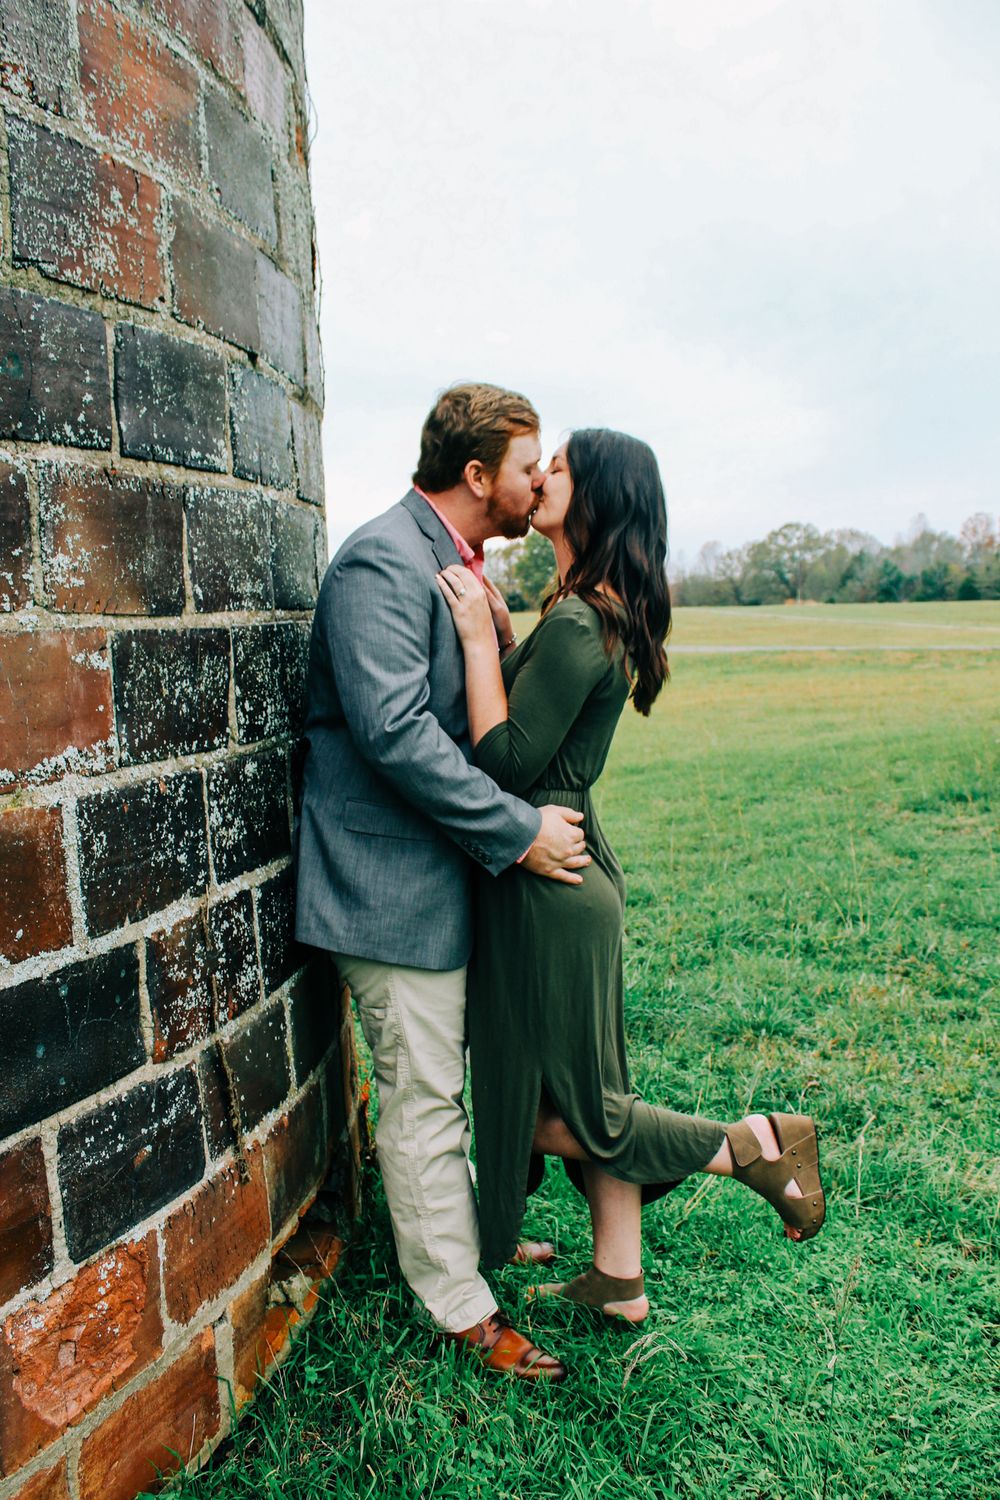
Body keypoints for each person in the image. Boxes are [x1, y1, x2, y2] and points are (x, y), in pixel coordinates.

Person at [437, 428, 826, 1327]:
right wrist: (500, 629)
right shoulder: (593, 606)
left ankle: (753, 1146)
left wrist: (475, 639)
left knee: (549, 1109)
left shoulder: (580, 620)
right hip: (569, 878)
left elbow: (503, 764)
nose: (540, 477)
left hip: (547, 885)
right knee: (586, 1087)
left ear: (599, 495)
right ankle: (620, 1278)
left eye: (560, 466)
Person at [295, 384, 588, 1382]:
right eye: (524, 464)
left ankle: (477, 1241)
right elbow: (393, 734)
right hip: (385, 885)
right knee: (422, 1097)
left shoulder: (451, 564)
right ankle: (460, 1304)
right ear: (476, 476)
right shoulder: (383, 559)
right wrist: (518, 833)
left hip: (440, 879)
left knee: (457, 1086)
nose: (537, 479)